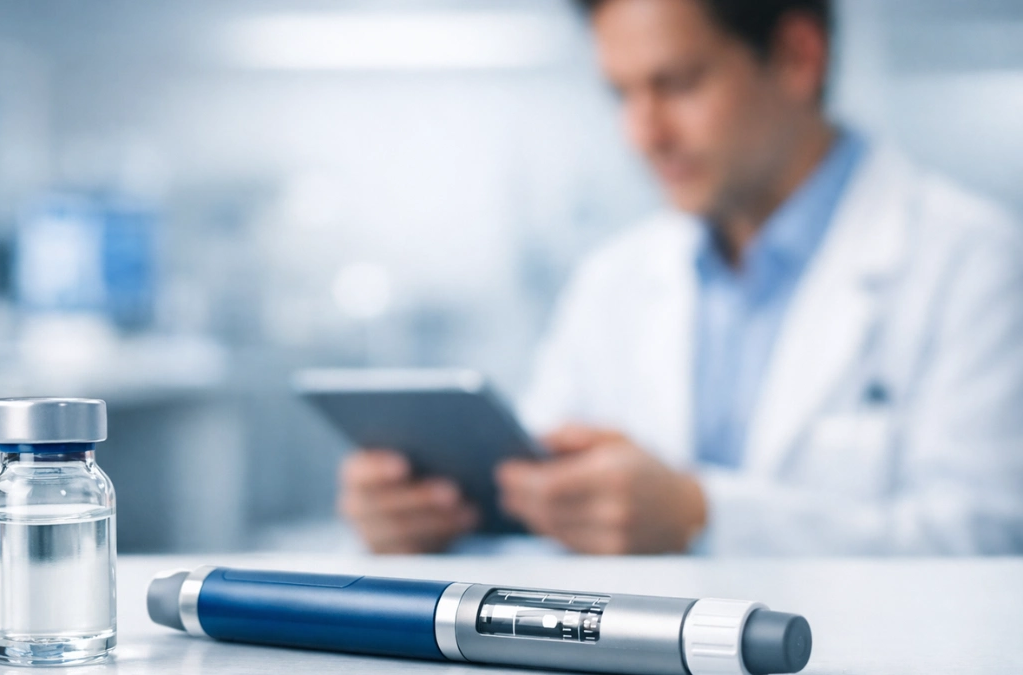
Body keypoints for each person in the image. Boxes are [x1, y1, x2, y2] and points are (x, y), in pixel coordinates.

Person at [337, 0, 1023, 555]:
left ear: (797, 57)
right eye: (622, 93)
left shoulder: (972, 260)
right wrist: (436, 517)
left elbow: (991, 542)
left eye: (678, 84)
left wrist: (702, 516)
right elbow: (542, 497)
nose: (644, 132)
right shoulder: (615, 278)